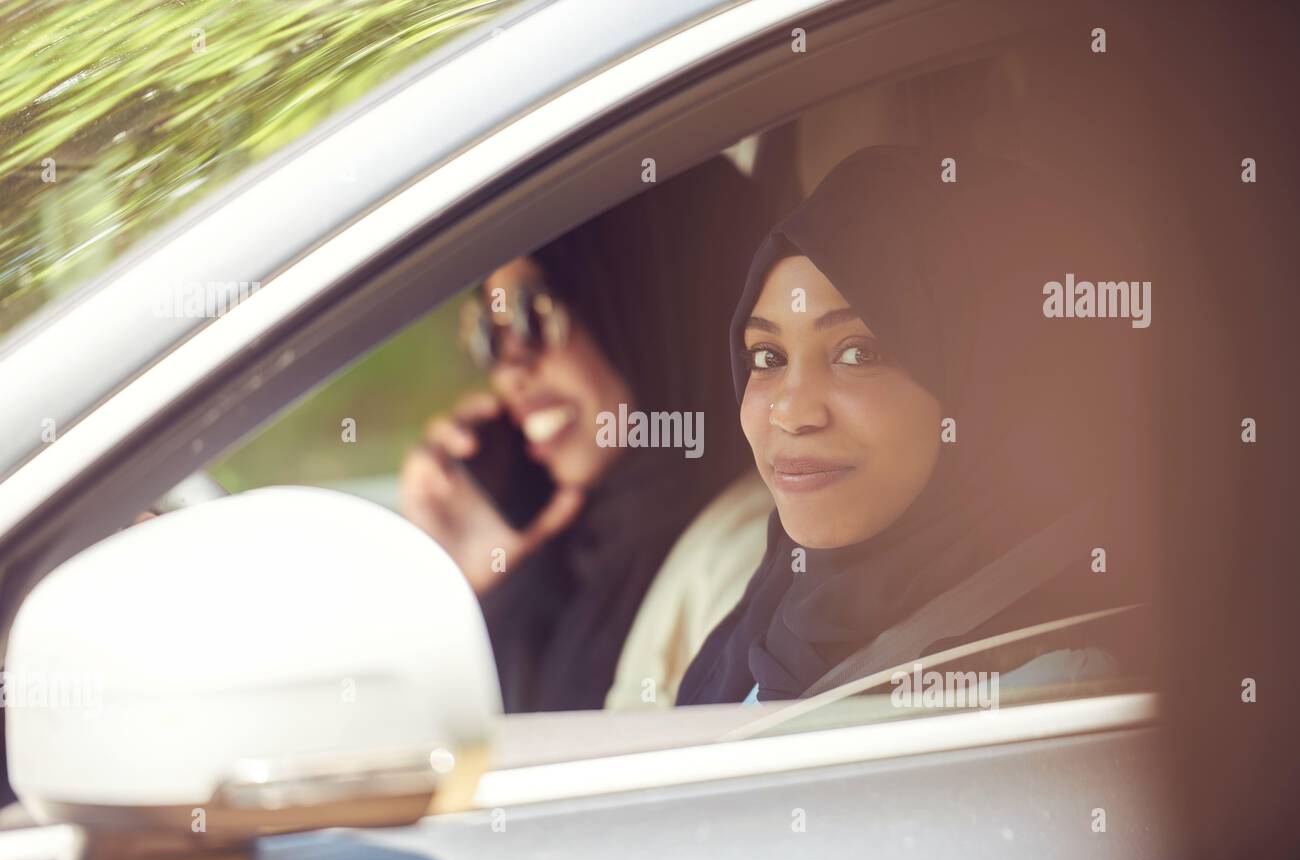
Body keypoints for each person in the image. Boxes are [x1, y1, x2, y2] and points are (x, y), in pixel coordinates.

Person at [677, 146, 1157, 706]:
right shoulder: (774, 615)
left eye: (857, 353)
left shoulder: (1052, 684)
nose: (790, 410)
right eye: (767, 357)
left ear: (987, 385)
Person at [400, 157, 772, 712]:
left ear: (646, 304)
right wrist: (469, 583)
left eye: (532, 313)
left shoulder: (751, 559)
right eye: (487, 332)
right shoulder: (574, 554)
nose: (508, 369)